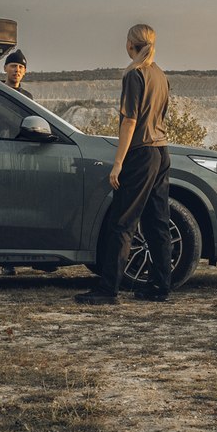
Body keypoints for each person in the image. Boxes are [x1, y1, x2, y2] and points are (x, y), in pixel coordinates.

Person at [75, 24, 171, 305]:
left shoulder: (135, 73)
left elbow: (130, 120)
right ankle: (159, 287)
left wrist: (117, 164)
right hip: (161, 152)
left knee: (122, 222)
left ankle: (108, 290)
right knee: (158, 223)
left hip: (140, 153)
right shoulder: (160, 75)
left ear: (131, 44)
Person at [0, 49, 32, 275]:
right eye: (14, 66)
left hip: (24, 156)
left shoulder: (28, 97)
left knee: (25, 207)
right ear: (5, 68)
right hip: (1, 155)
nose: (17, 70)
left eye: (21, 67)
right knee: (5, 208)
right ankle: (7, 260)